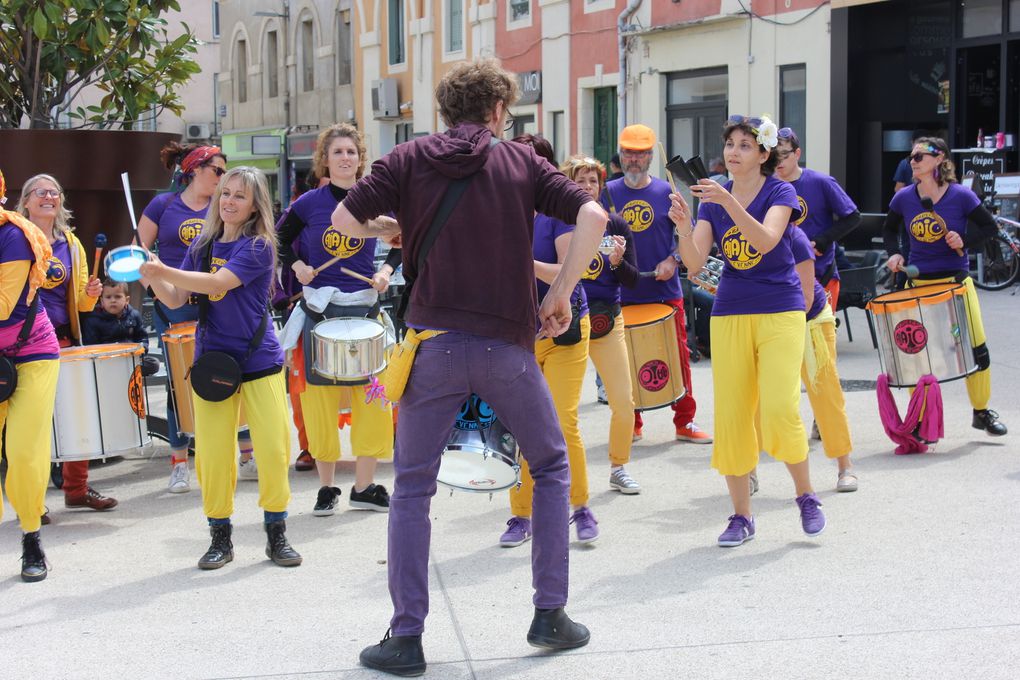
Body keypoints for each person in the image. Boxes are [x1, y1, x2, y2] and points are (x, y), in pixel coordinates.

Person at [330, 58, 604, 676]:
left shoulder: (407, 158)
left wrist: (398, 227)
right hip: (508, 349)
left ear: (444, 111)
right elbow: (593, 216)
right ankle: (549, 615)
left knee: (412, 488)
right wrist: (559, 293)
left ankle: (405, 639)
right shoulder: (521, 160)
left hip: (434, 347)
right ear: (499, 110)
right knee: (552, 465)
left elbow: (345, 222)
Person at [670, 114, 826, 547]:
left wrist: (727, 201)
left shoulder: (781, 190)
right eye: (730, 144)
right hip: (730, 310)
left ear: (763, 154)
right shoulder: (713, 197)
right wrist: (684, 226)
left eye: (744, 145)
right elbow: (696, 263)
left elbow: (764, 241)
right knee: (734, 416)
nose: (733, 152)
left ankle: (806, 495)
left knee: (779, 408)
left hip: (780, 308)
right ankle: (741, 516)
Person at [140, 166, 302, 570]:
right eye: (224, 193)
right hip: (213, 361)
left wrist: (164, 270)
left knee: (273, 447)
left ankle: (276, 533)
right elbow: (176, 299)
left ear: (254, 206)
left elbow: (216, 284)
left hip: (258, 361)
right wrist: (153, 275)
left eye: (239, 196)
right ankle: (219, 537)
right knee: (212, 455)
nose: (228, 201)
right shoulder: (204, 245)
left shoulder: (260, 246)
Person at [277, 123, 398, 515]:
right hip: (320, 311)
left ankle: (364, 486)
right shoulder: (309, 203)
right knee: (319, 401)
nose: (346, 158)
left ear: (360, 158)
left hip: (364, 309)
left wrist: (386, 272)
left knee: (373, 398)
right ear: (325, 160)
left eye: (351, 152)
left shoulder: (376, 199)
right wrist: (297, 265)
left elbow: (402, 242)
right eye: (338, 152)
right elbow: (277, 240)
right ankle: (327, 488)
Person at [499, 136, 599, 548]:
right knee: (519, 425)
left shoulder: (560, 211)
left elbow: (564, 272)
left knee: (562, 421)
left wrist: (521, 262)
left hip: (566, 327)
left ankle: (580, 508)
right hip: (519, 330)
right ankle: (520, 515)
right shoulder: (502, 209)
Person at [138, 142, 256, 492]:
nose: (223, 181)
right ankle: (179, 462)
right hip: (174, 303)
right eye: (218, 172)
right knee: (180, 381)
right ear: (194, 169)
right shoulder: (164, 205)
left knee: (234, 373)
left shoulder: (223, 209)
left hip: (218, 303)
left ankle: (246, 454)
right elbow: (138, 250)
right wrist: (153, 284)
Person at [882, 136, 1006, 437]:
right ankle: (921, 418)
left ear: (939, 159)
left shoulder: (961, 196)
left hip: (955, 284)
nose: (912, 161)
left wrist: (965, 241)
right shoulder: (904, 198)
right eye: (911, 156)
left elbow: (989, 228)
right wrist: (895, 253)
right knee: (917, 354)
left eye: (920, 156)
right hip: (917, 284)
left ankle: (981, 411)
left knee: (976, 349)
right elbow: (889, 230)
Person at [602, 124, 711, 444]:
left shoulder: (668, 192)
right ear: (620, 157)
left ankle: (685, 421)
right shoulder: (606, 192)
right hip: (621, 291)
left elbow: (689, 237)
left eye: (640, 155)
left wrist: (673, 260)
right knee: (624, 363)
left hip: (664, 292)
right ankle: (631, 422)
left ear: (651, 156)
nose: (634, 161)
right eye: (628, 155)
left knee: (678, 356)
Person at [16, 174, 116, 513]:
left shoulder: (71, 244)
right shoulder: (11, 237)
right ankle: (34, 500)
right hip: (19, 343)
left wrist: (90, 295)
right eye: (40, 192)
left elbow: (82, 304)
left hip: (62, 338)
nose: (48, 197)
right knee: (33, 424)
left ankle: (76, 488)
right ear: (26, 201)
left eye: (54, 192)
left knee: (78, 414)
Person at [567, 154, 642, 493]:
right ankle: (558, 471)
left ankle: (618, 466)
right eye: (580, 180)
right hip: (567, 322)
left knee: (624, 401)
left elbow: (633, 280)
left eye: (593, 181)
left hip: (607, 321)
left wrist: (615, 262)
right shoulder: (559, 221)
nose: (587, 187)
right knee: (561, 407)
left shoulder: (616, 225)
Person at [0, 168, 61, 581]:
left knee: (23, 451)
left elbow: (4, 304)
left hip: (31, 351)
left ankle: (30, 538)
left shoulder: (12, 235)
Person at [791, 228, 857, 491]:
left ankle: (845, 466)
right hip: (765, 319)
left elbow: (805, 300)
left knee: (826, 393)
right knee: (756, 398)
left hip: (808, 317)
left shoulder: (793, 236)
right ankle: (748, 472)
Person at [773, 127, 861, 306]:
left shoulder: (821, 182)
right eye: (774, 155)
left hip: (820, 273)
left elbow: (853, 217)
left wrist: (823, 240)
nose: (778, 161)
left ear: (797, 153)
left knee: (821, 333)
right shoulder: (768, 186)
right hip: (780, 276)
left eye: (784, 154)